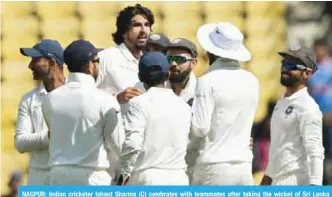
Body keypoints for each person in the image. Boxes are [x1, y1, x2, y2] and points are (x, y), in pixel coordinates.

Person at [42, 40, 124, 185]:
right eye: (97, 61)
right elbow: (117, 145)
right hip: (93, 177)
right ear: (90, 65)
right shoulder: (105, 100)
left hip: (58, 177)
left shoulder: (49, 99)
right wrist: (118, 175)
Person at [190, 22, 259, 185]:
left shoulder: (206, 81)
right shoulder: (252, 81)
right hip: (244, 166)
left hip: (213, 166)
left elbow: (199, 129)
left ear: (210, 51)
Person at [117, 52, 191, 185]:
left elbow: (133, 143)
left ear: (140, 77)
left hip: (148, 177)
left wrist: (124, 173)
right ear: (168, 74)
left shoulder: (138, 103)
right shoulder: (184, 106)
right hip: (179, 178)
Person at [261, 47, 325, 185]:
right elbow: (278, 149)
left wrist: (315, 188)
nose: (284, 68)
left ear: (306, 74)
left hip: (295, 181)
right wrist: (265, 183)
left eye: (291, 66)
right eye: (284, 63)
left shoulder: (308, 107)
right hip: (276, 180)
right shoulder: (281, 102)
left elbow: (315, 151)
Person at [15, 39, 66, 185]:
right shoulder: (28, 99)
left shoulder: (78, 94)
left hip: (70, 178)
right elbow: (20, 143)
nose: (30, 65)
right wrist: (49, 136)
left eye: (35, 60)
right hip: (39, 178)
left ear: (52, 63)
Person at [97, 4, 154, 112]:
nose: (143, 30)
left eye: (147, 25)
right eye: (137, 25)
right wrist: (116, 99)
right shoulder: (106, 57)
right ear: (124, 32)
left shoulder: (149, 61)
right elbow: (87, 97)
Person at [307, 38, 332, 185]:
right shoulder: (312, 69)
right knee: (318, 151)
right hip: (317, 117)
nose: (317, 52)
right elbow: (309, 92)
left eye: (319, 49)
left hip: (330, 115)